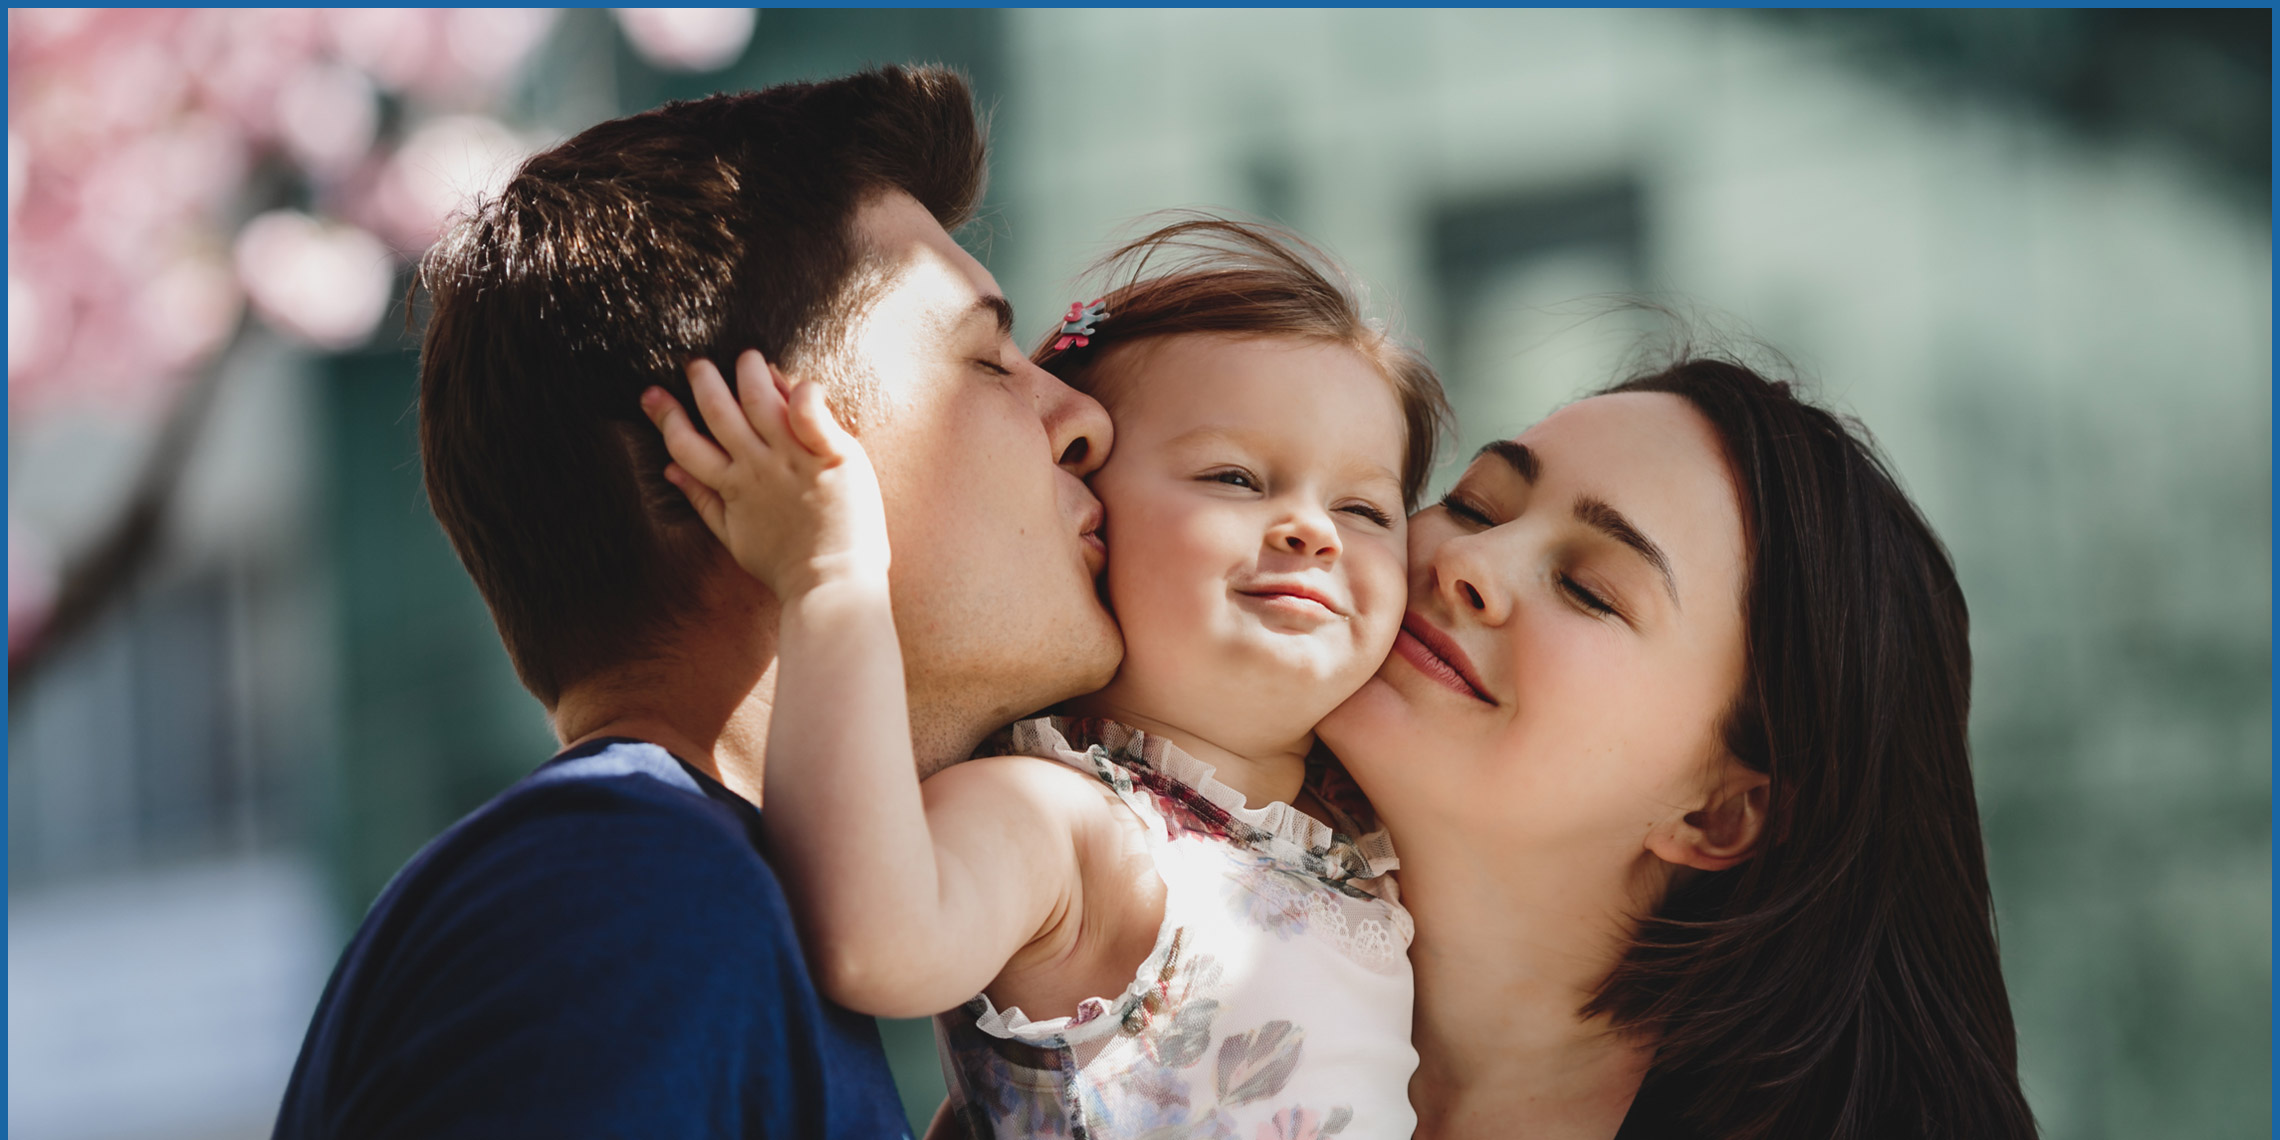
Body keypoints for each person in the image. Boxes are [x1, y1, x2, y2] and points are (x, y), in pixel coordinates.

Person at [272, 67, 1123, 1138]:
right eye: (988, 360)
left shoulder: (679, 896)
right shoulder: (630, 895)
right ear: (738, 446)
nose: (1083, 417)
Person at [641, 219, 1453, 1139]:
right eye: (1234, 478)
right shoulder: (1066, 820)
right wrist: (830, 579)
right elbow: (876, 943)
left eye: (1364, 506)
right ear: (1088, 514)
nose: (1315, 530)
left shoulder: (1362, 836)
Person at [1315, 357, 2039, 1138]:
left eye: (1589, 589)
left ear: (1723, 815)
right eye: (1476, 506)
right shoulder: (1185, 926)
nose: (1466, 561)